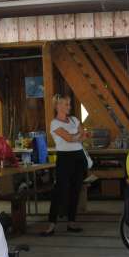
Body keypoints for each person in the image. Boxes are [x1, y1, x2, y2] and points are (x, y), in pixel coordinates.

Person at [43, 94, 88, 236]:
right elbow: (69, 138)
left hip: (79, 157)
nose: (69, 107)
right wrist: (77, 136)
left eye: (69, 104)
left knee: (76, 190)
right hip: (65, 159)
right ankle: (51, 224)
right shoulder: (54, 123)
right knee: (60, 190)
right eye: (66, 104)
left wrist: (77, 137)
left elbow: (84, 135)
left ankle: (71, 222)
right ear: (58, 106)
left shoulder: (74, 119)